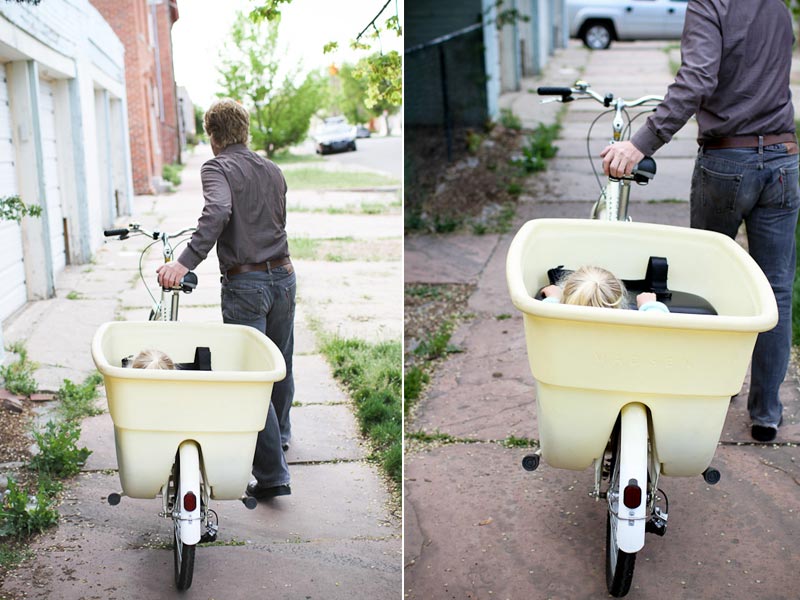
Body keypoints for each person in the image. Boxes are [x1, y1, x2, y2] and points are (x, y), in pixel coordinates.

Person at [599, 0, 798, 442]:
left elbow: (697, 80)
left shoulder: (710, 3)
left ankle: (709, 390)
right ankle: (766, 412)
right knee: (777, 291)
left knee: (706, 282)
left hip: (727, 160)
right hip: (784, 159)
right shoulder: (778, 5)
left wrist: (641, 143)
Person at [156, 98, 295, 499]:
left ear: (213, 136)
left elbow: (217, 212)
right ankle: (280, 436)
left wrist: (183, 263)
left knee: (250, 378)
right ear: (246, 131)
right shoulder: (273, 169)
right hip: (284, 276)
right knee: (279, 362)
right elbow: (276, 219)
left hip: (246, 284)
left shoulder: (216, 166)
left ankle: (271, 474)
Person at [540, 265, 669, 313]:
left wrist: (553, 300)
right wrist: (650, 305)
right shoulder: (626, 327)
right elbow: (662, 326)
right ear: (618, 299)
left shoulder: (558, 322)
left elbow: (545, 315)